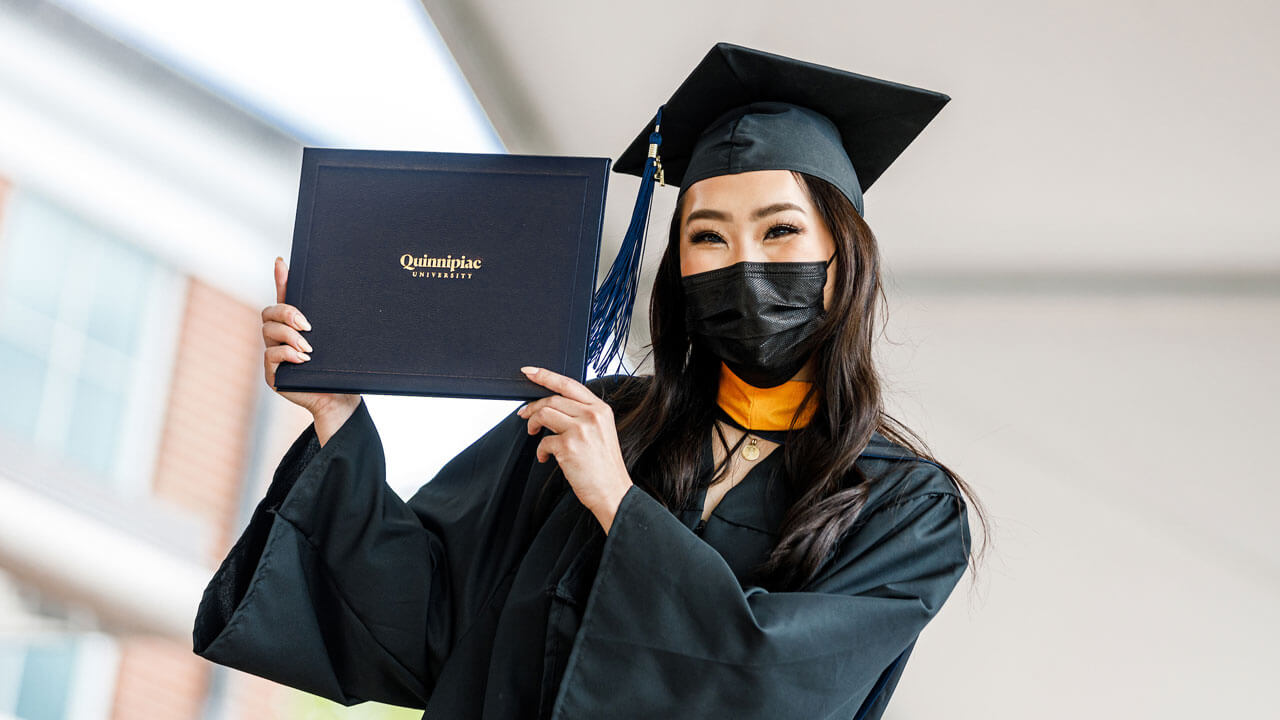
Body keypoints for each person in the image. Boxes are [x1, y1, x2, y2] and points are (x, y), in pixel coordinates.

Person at [192, 42, 988, 720]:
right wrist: (338, 415)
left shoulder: (907, 509)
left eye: (780, 230)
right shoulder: (596, 421)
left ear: (845, 256)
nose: (743, 262)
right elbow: (424, 620)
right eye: (706, 236)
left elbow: (771, 686)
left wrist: (617, 503)